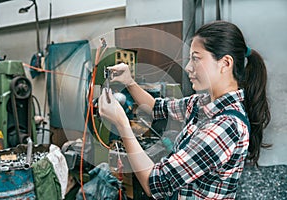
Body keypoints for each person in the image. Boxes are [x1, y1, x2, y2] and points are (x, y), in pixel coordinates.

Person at [98, 20, 270, 199]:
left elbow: (156, 183)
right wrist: (129, 82)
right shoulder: (202, 103)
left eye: (196, 58)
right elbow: (157, 108)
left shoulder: (226, 126)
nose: (188, 67)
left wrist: (122, 124)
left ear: (225, 63)